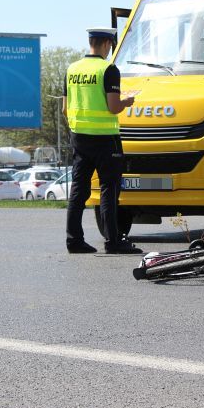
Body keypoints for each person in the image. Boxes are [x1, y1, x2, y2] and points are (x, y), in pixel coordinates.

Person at [63, 27, 141, 254]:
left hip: (79, 138)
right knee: (109, 188)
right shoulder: (108, 69)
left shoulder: (72, 69)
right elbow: (113, 106)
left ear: (91, 42)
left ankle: (74, 240)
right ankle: (113, 241)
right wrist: (127, 101)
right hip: (106, 140)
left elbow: (65, 109)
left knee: (79, 189)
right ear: (107, 44)